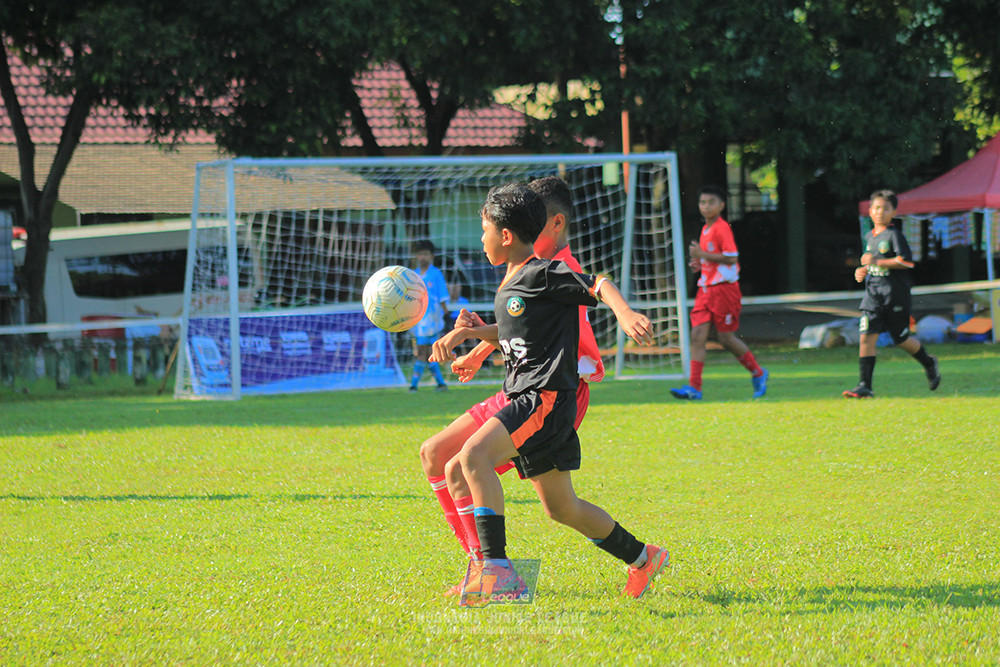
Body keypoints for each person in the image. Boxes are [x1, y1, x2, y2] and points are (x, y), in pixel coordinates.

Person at [431, 182, 668, 602]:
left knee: (470, 459)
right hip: (535, 397)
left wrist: (625, 311)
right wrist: (469, 339)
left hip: (542, 398)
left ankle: (497, 571)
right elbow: (515, 331)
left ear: (505, 236)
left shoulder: (543, 271)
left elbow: (598, 284)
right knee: (562, 508)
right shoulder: (514, 281)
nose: (480, 239)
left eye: (483, 229)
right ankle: (643, 558)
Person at [418, 176, 606, 597]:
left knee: (476, 470)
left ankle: (495, 570)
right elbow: (517, 330)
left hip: (555, 391)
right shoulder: (520, 270)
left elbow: (555, 324)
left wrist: (473, 341)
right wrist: (476, 348)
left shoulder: (557, 271)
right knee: (438, 456)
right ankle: (484, 566)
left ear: (552, 224)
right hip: (520, 386)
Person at [670, 185, 768, 400]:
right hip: (706, 289)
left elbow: (732, 257)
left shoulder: (722, 228)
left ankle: (758, 372)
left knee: (725, 338)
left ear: (722, 205)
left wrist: (703, 254)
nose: (705, 207)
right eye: (702, 202)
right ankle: (694, 387)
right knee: (697, 336)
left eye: (711, 202)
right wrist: (700, 262)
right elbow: (713, 258)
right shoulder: (706, 229)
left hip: (724, 289)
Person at [843, 190, 940, 398]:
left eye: (885, 208)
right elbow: (871, 263)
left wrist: (876, 262)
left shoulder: (894, 235)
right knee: (866, 337)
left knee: (901, 339)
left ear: (893, 211)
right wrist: (862, 270)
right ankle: (865, 386)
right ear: (870, 211)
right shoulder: (869, 236)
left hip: (895, 294)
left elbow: (906, 261)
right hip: (873, 295)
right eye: (877, 208)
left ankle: (929, 362)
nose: (880, 212)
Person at [408, 240, 450, 392]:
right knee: (424, 353)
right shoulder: (413, 276)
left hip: (433, 319)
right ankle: (439, 383)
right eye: (420, 254)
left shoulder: (436, 274)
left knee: (428, 353)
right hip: (419, 321)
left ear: (431, 256)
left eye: (425, 254)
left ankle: (415, 385)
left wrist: (446, 315)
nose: (422, 257)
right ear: (416, 256)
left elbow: (442, 296)